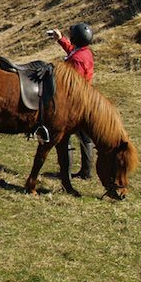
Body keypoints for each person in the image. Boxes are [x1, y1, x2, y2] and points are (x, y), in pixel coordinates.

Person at [50, 22, 94, 179]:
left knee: (65, 136)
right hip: (84, 99)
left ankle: (67, 173)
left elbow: (72, 82)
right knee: (85, 137)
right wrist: (61, 40)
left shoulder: (77, 60)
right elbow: (72, 51)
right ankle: (86, 172)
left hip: (75, 102)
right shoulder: (84, 53)